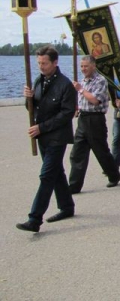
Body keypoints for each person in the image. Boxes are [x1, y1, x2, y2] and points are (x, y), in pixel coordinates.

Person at [16, 46, 77, 233]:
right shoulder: (38, 81)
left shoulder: (65, 85)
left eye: (45, 63)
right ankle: (67, 206)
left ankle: (34, 219)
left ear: (55, 62)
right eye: (39, 63)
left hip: (57, 137)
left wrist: (41, 127)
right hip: (42, 136)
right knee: (56, 173)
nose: (41, 66)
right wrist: (30, 100)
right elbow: (34, 110)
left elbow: (67, 114)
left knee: (46, 175)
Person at [68, 55, 120, 194]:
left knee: (101, 151)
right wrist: (77, 108)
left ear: (93, 66)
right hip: (83, 118)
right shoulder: (83, 81)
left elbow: (95, 100)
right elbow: (83, 99)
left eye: (86, 66)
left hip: (95, 119)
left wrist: (80, 89)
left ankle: (114, 175)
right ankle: (74, 186)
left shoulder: (100, 80)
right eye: (81, 66)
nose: (83, 69)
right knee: (77, 153)